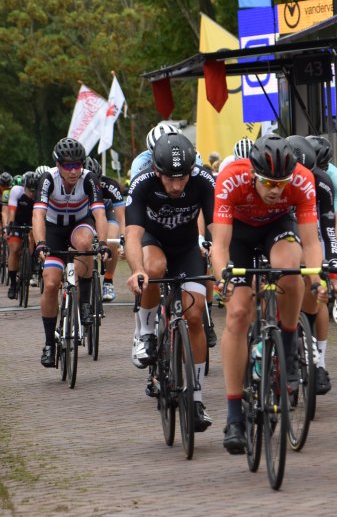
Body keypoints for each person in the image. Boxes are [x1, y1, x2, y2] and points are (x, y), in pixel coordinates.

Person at [210, 134, 326, 454]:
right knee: (238, 312)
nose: (275, 191)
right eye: (268, 183)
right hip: (239, 235)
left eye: (281, 183)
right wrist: (224, 281)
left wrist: (318, 279)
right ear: (252, 175)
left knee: (291, 270)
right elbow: (219, 247)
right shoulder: (231, 177)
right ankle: (234, 416)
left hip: (277, 228)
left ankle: (287, 348)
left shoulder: (302, 181)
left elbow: (312, 243)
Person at [125, 132, 216, 431]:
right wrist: (137, 270)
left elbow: (217, 229)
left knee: (195, 315)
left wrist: (220, 262)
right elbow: (133, 235)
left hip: (187, 248)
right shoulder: (142, 184)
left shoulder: (203, 181)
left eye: (183, 178)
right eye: (170, 179)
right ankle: (146, 332)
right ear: (156, 171)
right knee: (153, 267)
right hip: (154, 243)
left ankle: (197, 398)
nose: (177, 186)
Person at [33, 138, 108, 367]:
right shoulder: (48, 180)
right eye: (68, 166)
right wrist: (40, 243)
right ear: (58, 165)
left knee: (85, 244)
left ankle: (84, 303)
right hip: (54, 229)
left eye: (78, 165)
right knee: (51, 282)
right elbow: (38, 215)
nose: (74, 170)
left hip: (80, 224)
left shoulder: (88, 179)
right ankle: (49, 344)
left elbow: (100, 215)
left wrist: (103, 243)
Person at [287, 135, 337, 395]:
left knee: (317, 291)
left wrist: (333, 266)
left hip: (313, 235)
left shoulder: (322, 182)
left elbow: (329, 228)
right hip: (283, 234)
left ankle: (319, 363)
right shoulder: (275, 181)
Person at [84, 156, 125, 301]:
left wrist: (123, 238)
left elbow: (121, 216)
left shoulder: (110, 185)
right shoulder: (75, 185)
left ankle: (108, 281)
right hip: (85, 215)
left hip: (106, 214)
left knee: (112, 241)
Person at [5, 171, 39, 299]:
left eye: (34, 191)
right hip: (18, 219)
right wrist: (10, 226)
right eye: (29, 191)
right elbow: (11, 211)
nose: (32, 194)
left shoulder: (39, 194)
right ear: (24, 187)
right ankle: (13, 284)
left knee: (33, 234)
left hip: (33, 219)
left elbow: (41, 216)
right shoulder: (16, 191)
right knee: (14, 249)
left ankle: (33, 258)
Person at [128, 123, 203, 179]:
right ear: (151, 152)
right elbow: (134, 186)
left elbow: (200, 180)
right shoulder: (140, 162)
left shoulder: (191, 154)